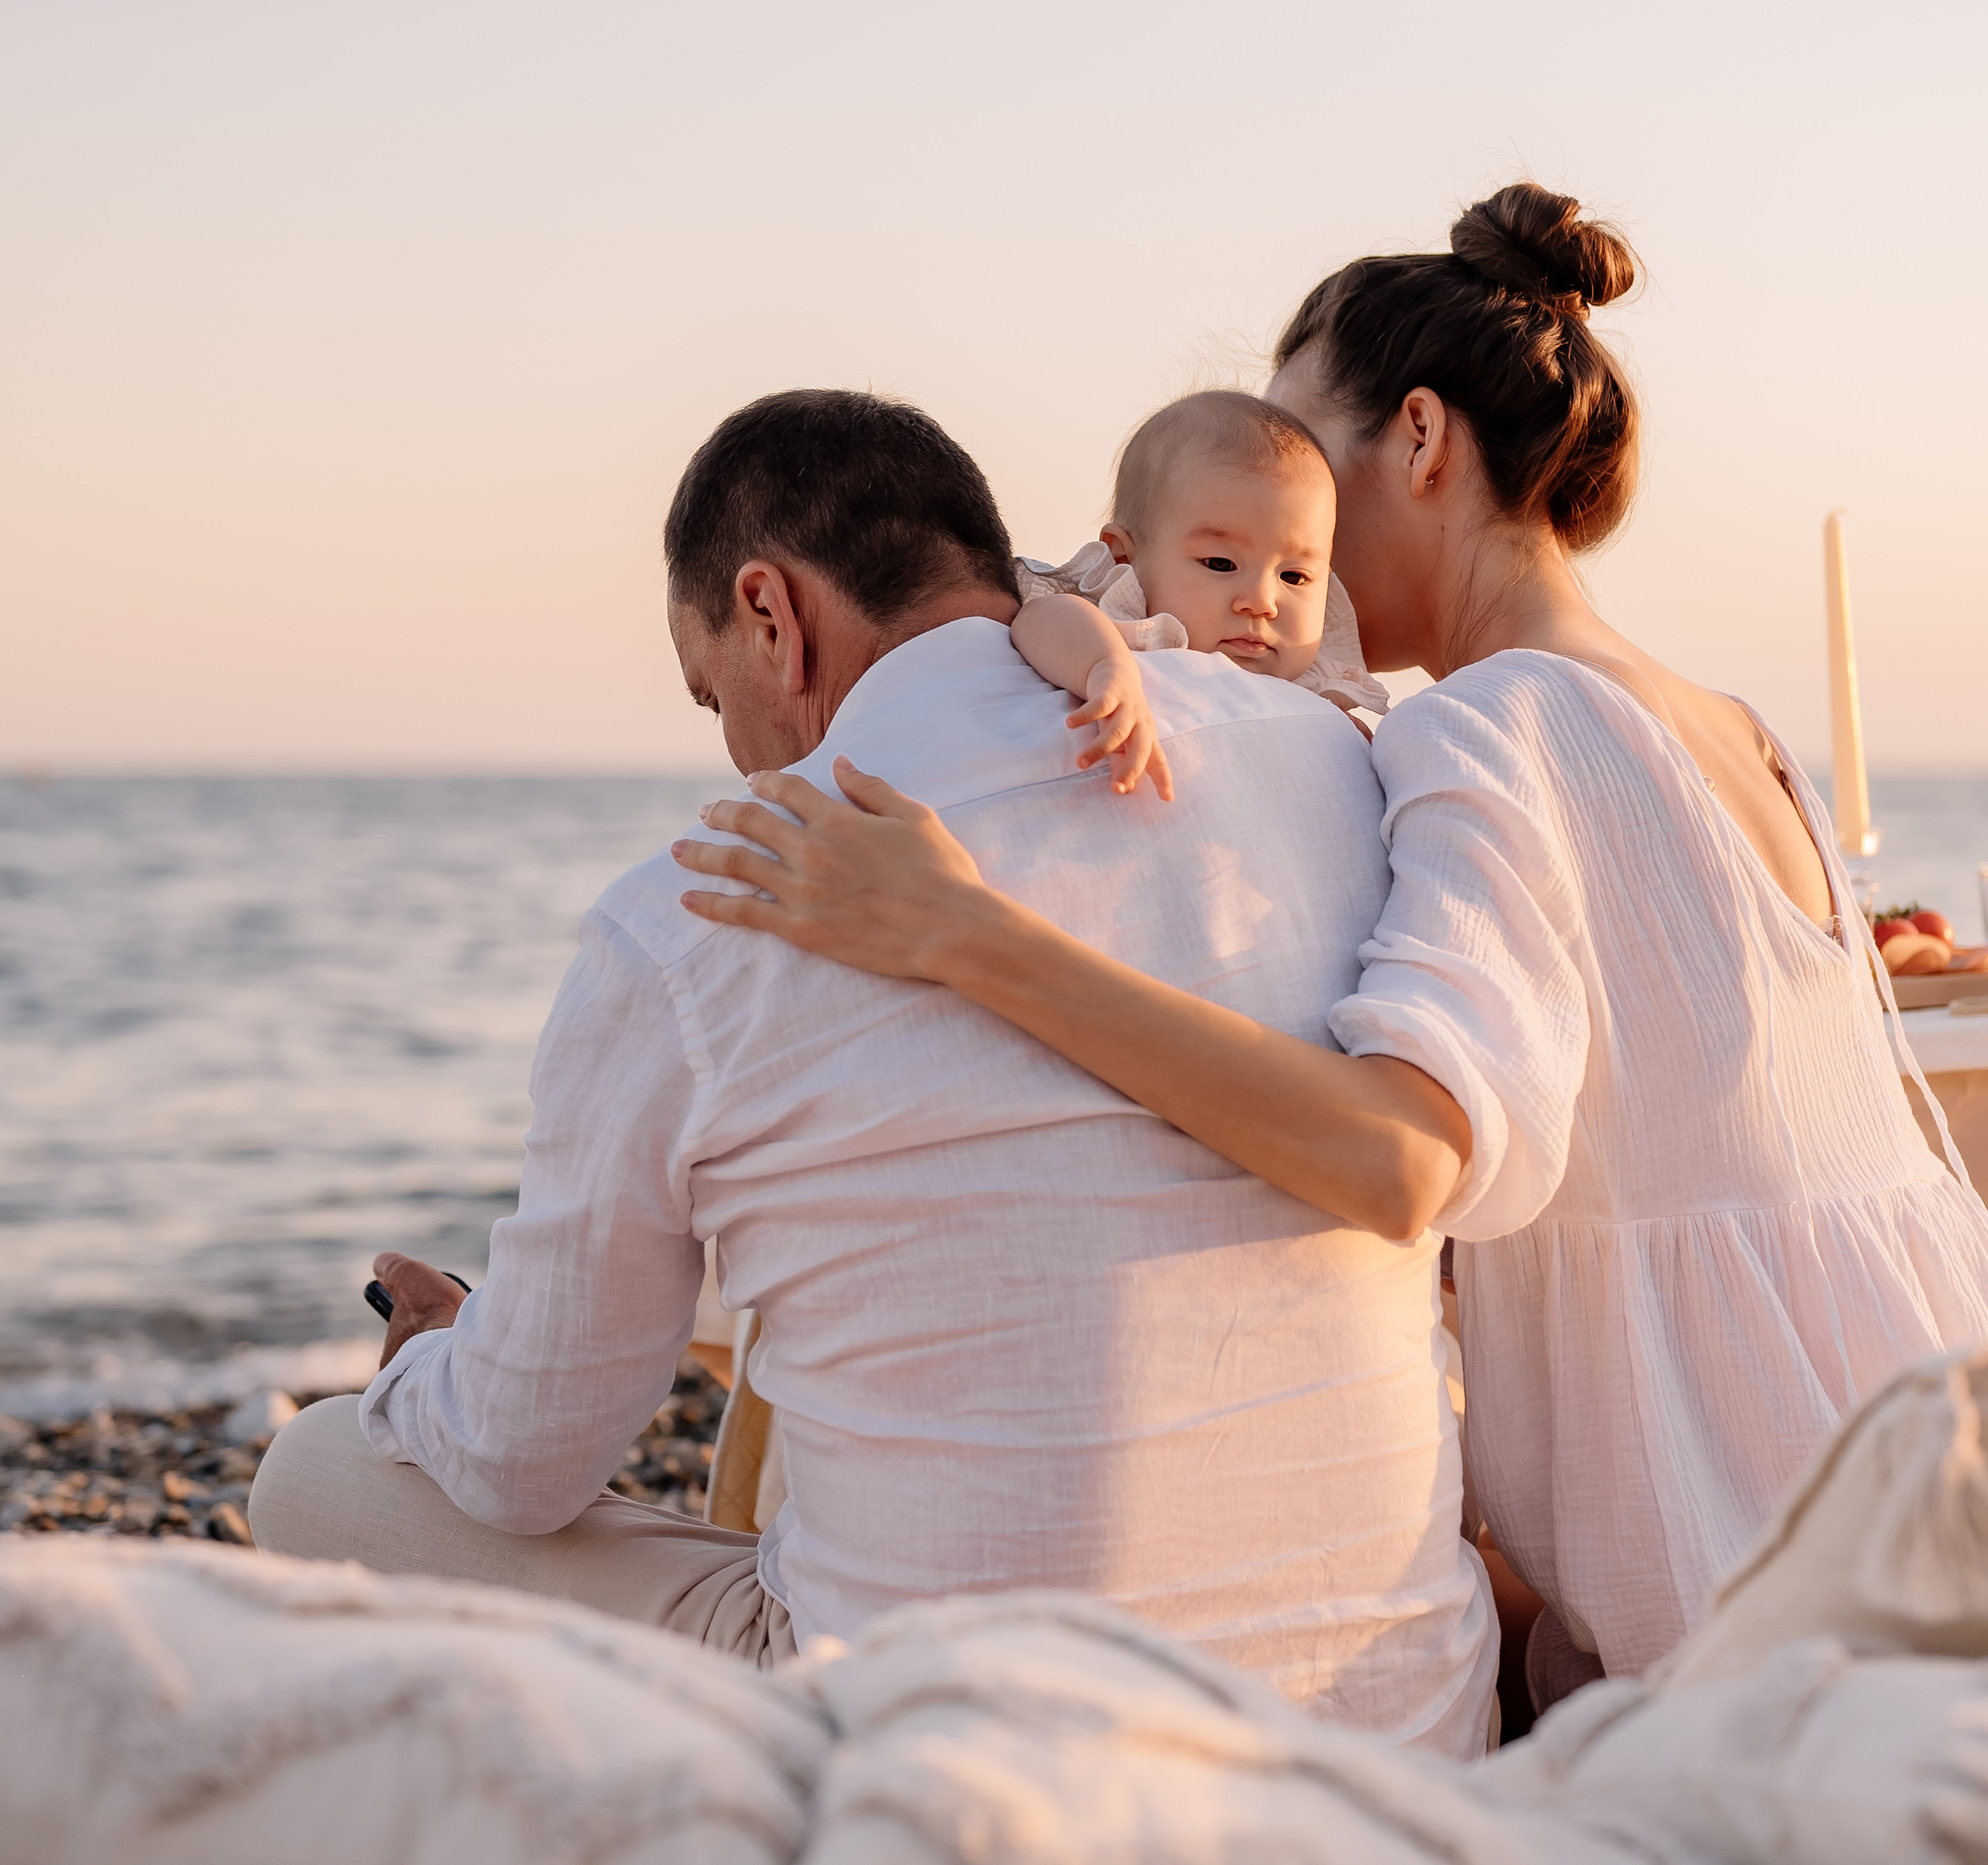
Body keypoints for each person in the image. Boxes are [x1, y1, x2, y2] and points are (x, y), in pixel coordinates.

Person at [670, 189, 1988, 1700]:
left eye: (1294, 445)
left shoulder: (1491, 722)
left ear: (1417, 439)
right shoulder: (1737, 729)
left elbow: (1398, 1157)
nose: (1273, 510)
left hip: (1769, 1586)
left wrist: (969, 931)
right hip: (1911, 1484)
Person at [252, 387, 1496, 1752]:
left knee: (319, 1473)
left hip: (955, 1762)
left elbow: (521, 1458)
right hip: (1401, 1733)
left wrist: (434, 1372)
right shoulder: (1337, 752)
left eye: (708, 681)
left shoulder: (696, 908)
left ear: (772, 618)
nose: (727, 738)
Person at [1010, 389, 1387, 729]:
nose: (1261, 603)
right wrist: (1102, 668)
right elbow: (1040, 617)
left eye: (1294, 576)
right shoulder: (1123, 630)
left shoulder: (1319, 696)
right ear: (1125, 558)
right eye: (1221, 564)